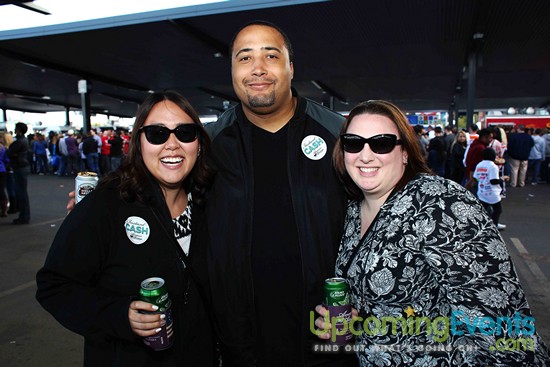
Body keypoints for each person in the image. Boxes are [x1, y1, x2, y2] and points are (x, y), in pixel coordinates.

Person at [315, 100, 550, 366]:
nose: (365, 155)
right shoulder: (353, 208)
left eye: (381, 143)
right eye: (354, 143)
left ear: (405, 152)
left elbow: (500, 328)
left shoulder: (442, 203)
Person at [203, 20, 353, 366]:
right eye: (245, 58)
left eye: (271, 55)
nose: (258, 68)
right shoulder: (208, 145)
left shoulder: (337, 135)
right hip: (239, 338)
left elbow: (383, 206)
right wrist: (109, 207)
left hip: (325, 335)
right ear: (232, 71)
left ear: (290, 68)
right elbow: (164, 202)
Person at [36, 90, 217, 366]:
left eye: (185, 132)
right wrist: (120, 315)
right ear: (139, 142)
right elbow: (54, 286)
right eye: (157, 133)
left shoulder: (212, 203)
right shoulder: (108, 204)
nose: (172, 144)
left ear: (199, 144)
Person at [473, 148, 507, 230]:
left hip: (482, 191)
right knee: (498, 210)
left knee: (483, 210)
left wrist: (482, 180)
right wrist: (502, 179)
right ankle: (494, 225)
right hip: (492, 192)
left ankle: (481, 226)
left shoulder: (479, 165)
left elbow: (475, 178)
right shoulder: (493, 166)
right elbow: (493, 181)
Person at [6, 122, 31, 224]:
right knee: (22, 192)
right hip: (22, 166)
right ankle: (24, 215)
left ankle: (24, 216)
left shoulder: (19, 141)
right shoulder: (24, 141)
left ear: (19, 130)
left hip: (19, 167)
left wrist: (13, 153)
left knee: (21, 192)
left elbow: (9, 152)